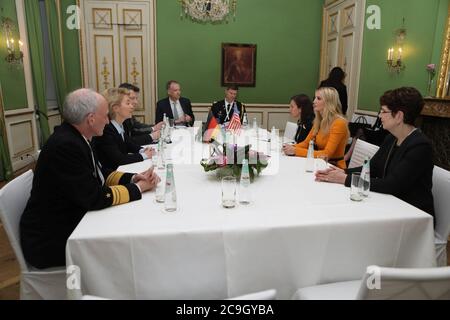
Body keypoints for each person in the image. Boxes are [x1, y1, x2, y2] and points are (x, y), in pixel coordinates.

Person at [20, 89, 160, 269]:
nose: (108, 120)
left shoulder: (78, 136)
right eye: (105, 116)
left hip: (68, 221)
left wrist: (133, 178)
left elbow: (99, 173)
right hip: (53, 240)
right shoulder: (66, 146)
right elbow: (94, 197)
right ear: (91, 119)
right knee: (127, 247)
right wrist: (139, 188)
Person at [315, 87, 435, 217]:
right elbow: (372, 168)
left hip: (413, 214)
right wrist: (341, 172)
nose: (379, 116)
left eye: (383, 111)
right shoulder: (391, 138)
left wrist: (345, 179)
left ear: (399, 116)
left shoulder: (420, 146)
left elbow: (392, 185)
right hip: (391, 205)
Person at [283, 87, 349, 169]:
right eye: (315, 98)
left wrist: (295, 151)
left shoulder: (339, 123)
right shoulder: (319, 121)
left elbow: (326, 154)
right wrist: (290, 147)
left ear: (329, 102)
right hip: (319, 164)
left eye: (319, 98)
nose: (314, 102)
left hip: (334, 167)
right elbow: (306, 143)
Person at [93, 88, 155, 170]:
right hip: (111, 176)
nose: (132, 106)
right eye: (128, 103)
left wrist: (143, 150)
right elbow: (120, 159)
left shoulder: (120, 125)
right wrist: (145, 155)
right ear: (116, 108)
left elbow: (129, 145)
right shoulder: (106, 129)